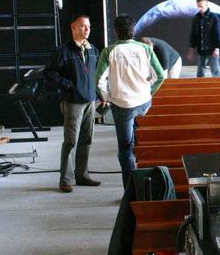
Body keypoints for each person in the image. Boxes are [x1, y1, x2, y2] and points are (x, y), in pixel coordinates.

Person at [97, 15, 166, 190]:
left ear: (115, 31)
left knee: (125, 149)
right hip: (143, 103)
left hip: (122, 105)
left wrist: (108, 97)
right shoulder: (145, 48)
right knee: (140, 142)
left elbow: (99, 81)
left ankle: (131, 190)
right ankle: (146, 188)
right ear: (133, 31)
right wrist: (149, 91)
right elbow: (160, 76)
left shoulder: (109, 51)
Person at [45, 15, 101, 193]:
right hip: (73, 102)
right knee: (71, 141)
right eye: (83, 26)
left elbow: (96, 74)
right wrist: (69, 86)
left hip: (90, 101)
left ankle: (82, 175)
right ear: (73, 28)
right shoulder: (63, 51)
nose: (87, 29)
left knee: (87, 139)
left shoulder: (93, 50)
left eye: (88, 26)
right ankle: (66, 180)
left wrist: (99, 95)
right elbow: (49, 73)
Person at [187, 0, 220, 77]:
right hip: (201, 50)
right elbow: (193, 35)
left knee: (215, 72)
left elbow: (219, 34)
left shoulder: (214, 17)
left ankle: (218, 83)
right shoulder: (196, 18)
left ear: (206, 5)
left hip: (213, 50)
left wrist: (217, 48)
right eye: (198, 6)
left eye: (201, 6)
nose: (199, 8)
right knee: (200, 72)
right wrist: (191, 50)